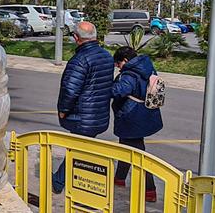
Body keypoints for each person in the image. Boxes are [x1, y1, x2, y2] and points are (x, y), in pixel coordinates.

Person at [52, 20, 113, 193]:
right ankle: (66, 179)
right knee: (82, 148)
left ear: (76, 38)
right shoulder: (106, 56)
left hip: (81, 116)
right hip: (98, 114)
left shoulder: (79, 60)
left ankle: (61, 181)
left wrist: (63, 110)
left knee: (78, 150)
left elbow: (70, 90)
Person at [109, 47, 163, 202]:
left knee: (139, 153)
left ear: (125, 60)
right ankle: (119, 178)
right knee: (127, 147)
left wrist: (105, 88)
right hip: (144, 113)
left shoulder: (129, 74)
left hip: (131, 117)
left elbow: (119, 91)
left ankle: (150, 190)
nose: (117, 67)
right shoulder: (146, 66)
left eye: (118, 64)